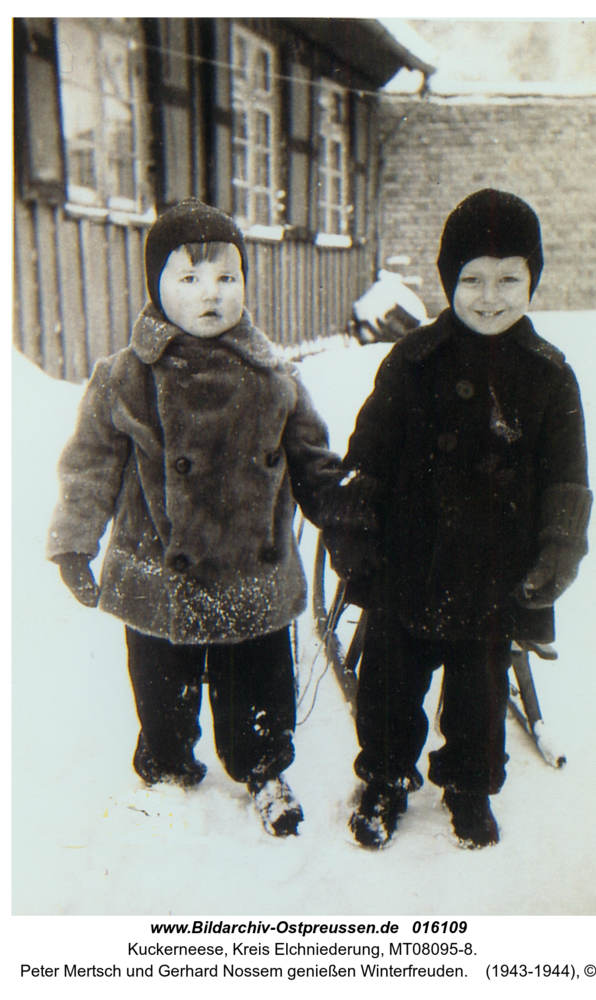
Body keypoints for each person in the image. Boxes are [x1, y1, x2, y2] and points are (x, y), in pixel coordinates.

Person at [47, 200, 340, 838]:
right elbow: (89, 468)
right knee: (162, 691)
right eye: (189, 278)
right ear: (155, 287)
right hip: (158, 576)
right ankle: (168, 771)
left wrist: (342, 516)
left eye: (226, 277)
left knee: (258, 687)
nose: (210, 293)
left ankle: (264, 767)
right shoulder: (123, 378)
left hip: (250, 571)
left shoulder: (274, 377)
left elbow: (312, 459)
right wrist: (74, 542)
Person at [323, 189, 591, 850]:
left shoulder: (549, 375)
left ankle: (470, 788)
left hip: (496, 574)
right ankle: (385, 779)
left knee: (478, 695)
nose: (490, 295)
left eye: (509, 279)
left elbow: (567, 477)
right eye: (472, 279)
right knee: (389, 687)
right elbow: (369, 457)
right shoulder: (414, 360)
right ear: (449, 281)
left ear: (533, 280)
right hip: (405, 564)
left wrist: (559, 548)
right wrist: (353, 525)